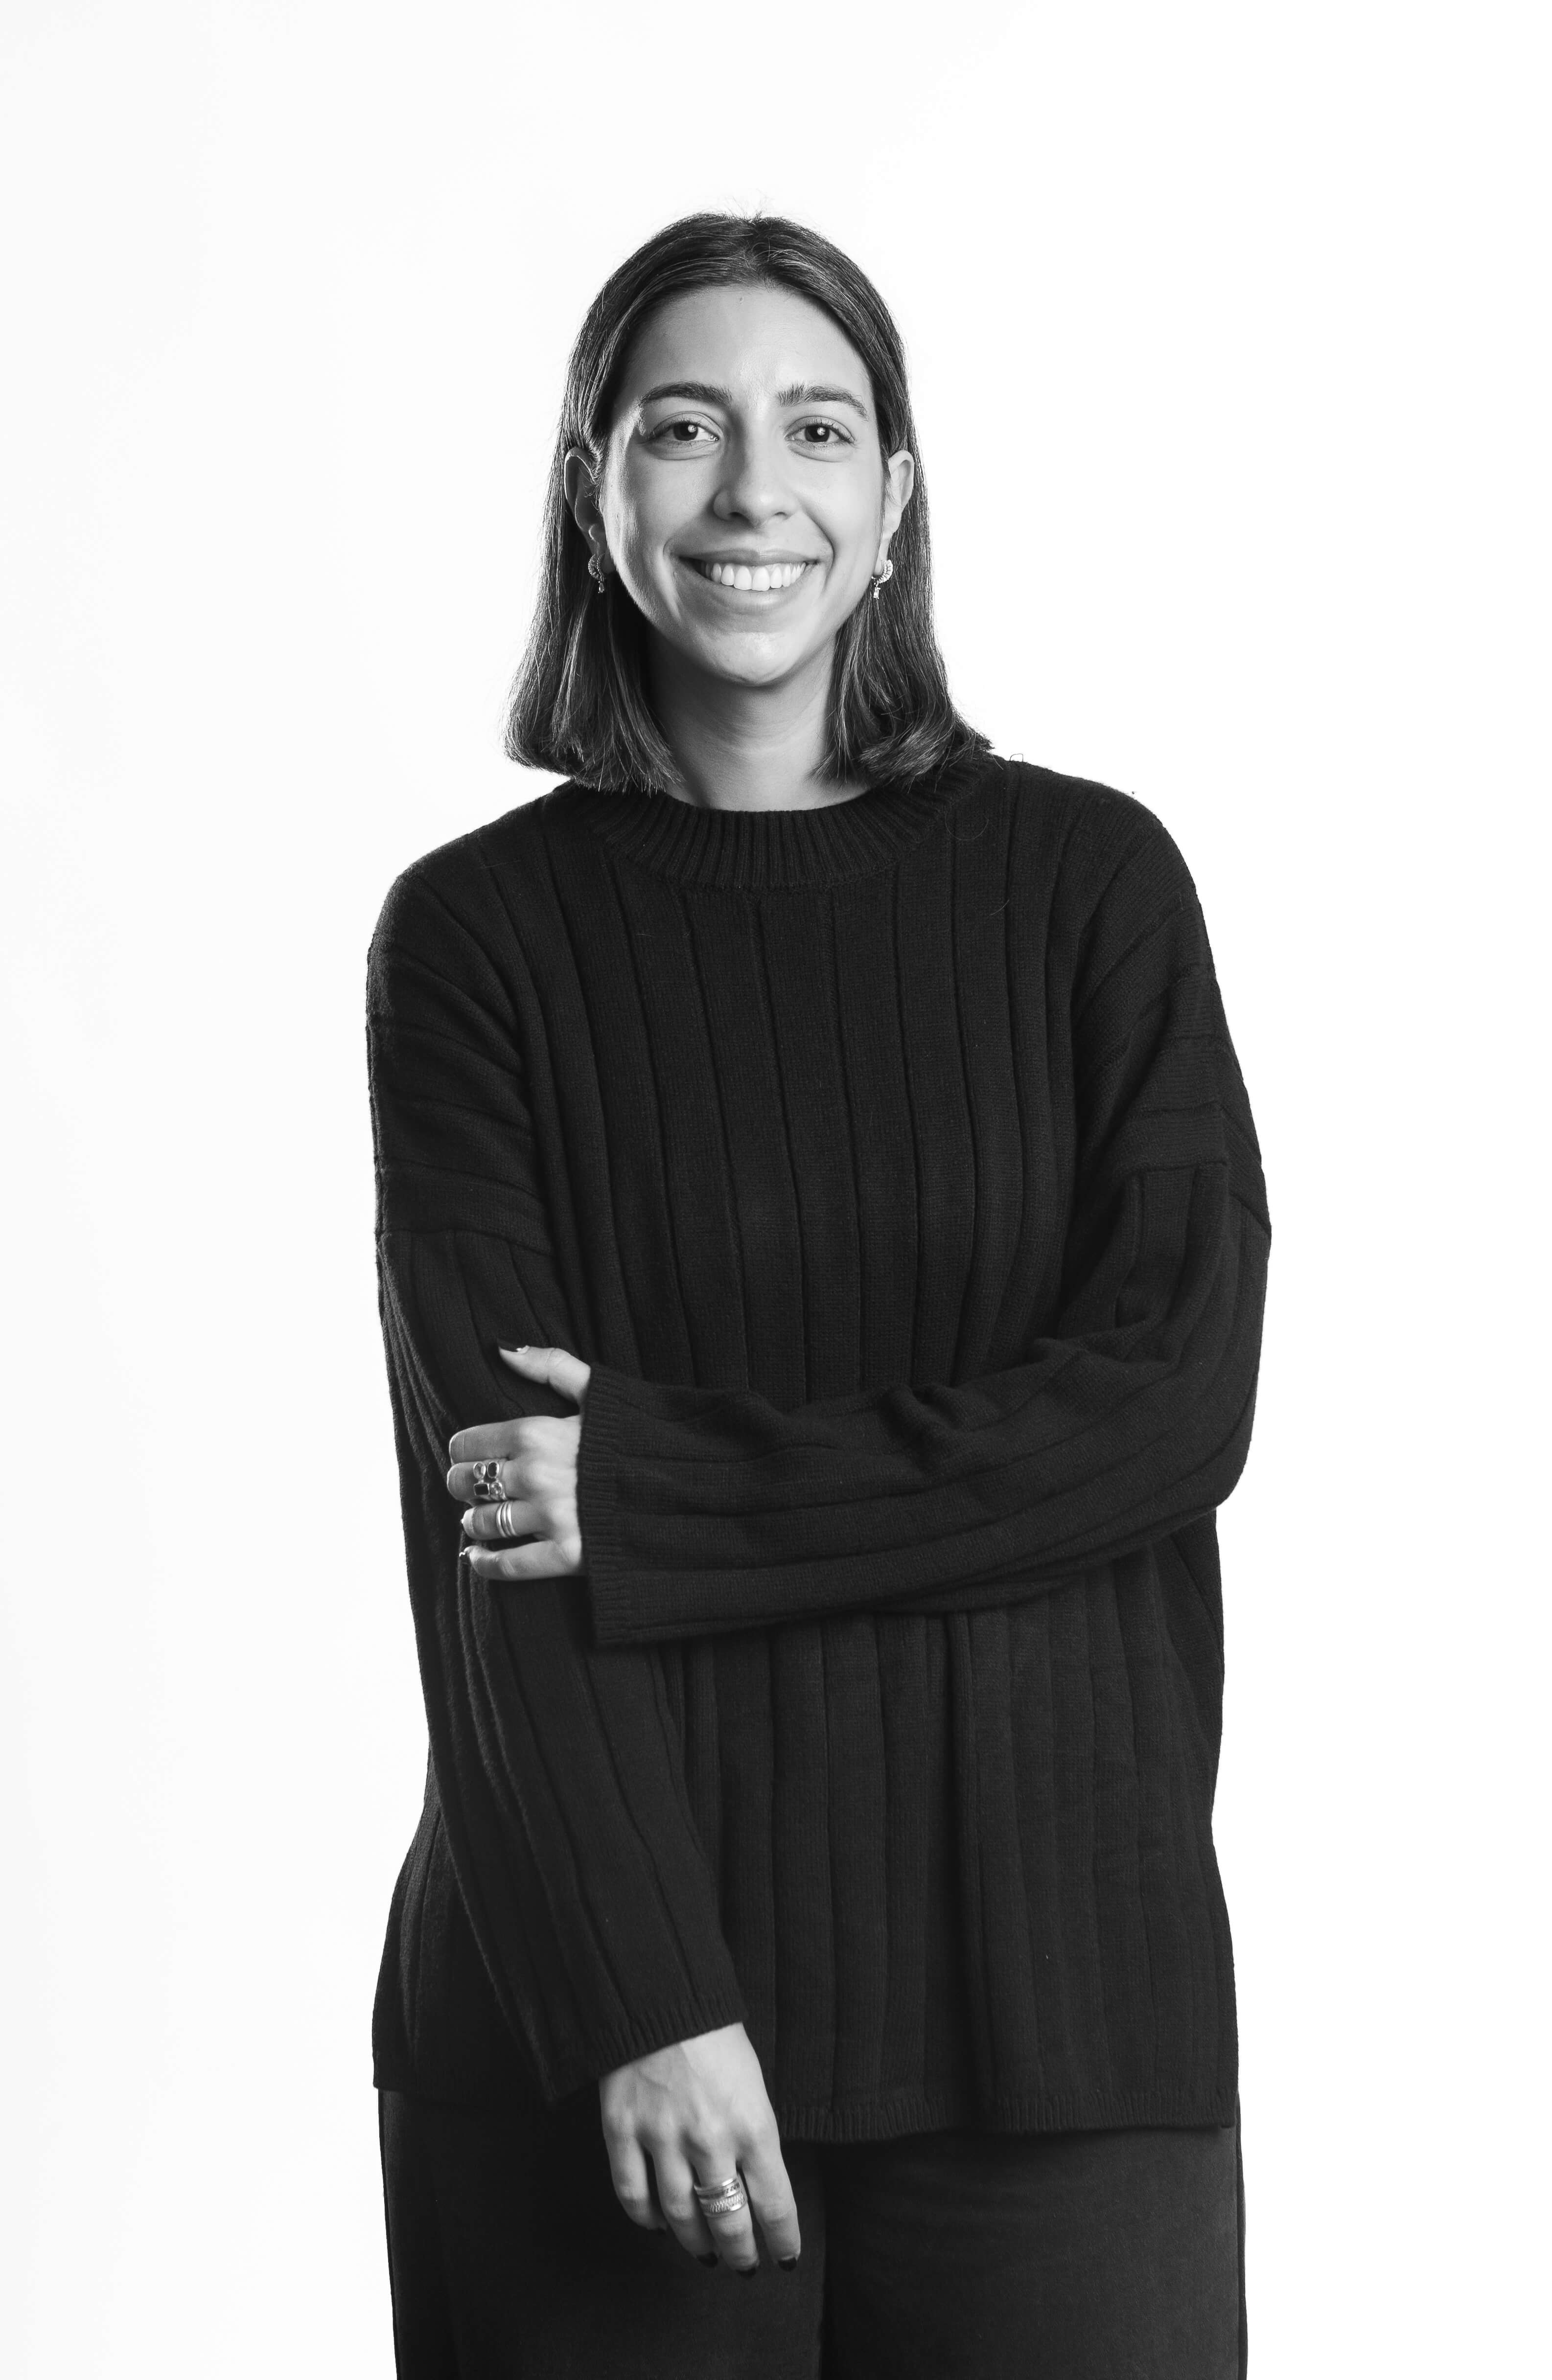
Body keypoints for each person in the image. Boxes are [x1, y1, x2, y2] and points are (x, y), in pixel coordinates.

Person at [365, 211, 1270, 2380]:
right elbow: (493, 1531)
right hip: (611, 2020)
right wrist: (638, 2000)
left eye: (815, 426)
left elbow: (1170, 1410)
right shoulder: (478, 940)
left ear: (892, 502)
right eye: (680, 429)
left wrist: (665, 1486)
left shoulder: (1089, 888)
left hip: (1066, 2007)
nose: (752, 488)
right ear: (596, 496)